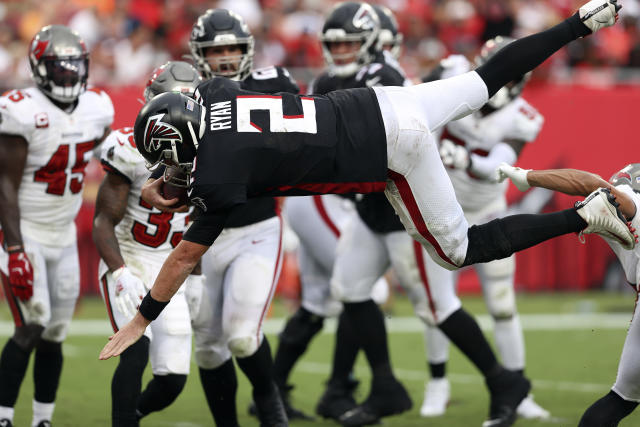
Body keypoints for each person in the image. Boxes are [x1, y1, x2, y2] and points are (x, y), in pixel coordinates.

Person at [101, 2, 631, 426]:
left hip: (391, 152)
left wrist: (142, 318)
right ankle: (579, 22)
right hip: (388, 103)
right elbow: (208, 142)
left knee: (460, 251)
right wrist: (176, 177)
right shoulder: (216, 91)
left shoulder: (217, 177)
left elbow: (183, 255)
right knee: (485, 79)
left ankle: (584, 217)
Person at [274, 3, 416, 423]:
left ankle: (275, 390)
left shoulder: (375, 74)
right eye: (336, 43)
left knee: (320, 300)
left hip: (325, 196)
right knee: (364, 291)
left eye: (351, 42)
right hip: (322, 195)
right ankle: (338, 389)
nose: (343, 51)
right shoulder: (334, 80)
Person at [418, 38, 549, 420]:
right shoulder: (452, 73)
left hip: (488, 209)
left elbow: (498, 167)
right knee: (437, 306)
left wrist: (463, 157)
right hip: (440, 208)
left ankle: (518, 390)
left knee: (503, 305)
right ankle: (437, 382)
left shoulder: (523, 117)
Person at [187, 8, 300, 426]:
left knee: (240, 336)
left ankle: (269, 401)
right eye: (217, 51)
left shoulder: (274, 85)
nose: (227, 58)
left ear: (247, 49)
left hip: (256, 227)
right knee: (208, 347)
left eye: (233, 48)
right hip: (202, 234)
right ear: (201, 55)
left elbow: (296, 146)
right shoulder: (185, 94)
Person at [0, 25, 113, 427]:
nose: (68, 75)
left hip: (63, 232)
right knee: (32, 323)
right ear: (39, 68)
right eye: (58, 68)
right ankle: (3, 415)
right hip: (27, 230)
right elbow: (6, 185)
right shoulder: (19, 109)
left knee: (56, 330)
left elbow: (110, 159)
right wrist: (14, 251)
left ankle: (42, 419)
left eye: (73, 67)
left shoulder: (97, 107)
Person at [93, 61, 203, 427]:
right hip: (130, 257)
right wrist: (119, 271)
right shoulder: (129, 147)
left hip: (172, 265)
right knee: (135, 349)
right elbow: (103, 221)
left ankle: (132, 416)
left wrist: (197, 277)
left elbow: (201, 222)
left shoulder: (210, 153)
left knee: (172, 378)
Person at [496, 163, 640, 427]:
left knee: (619, 400)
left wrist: (528, 177)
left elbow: (586, 182)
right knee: (621, 398)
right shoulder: (625, 205)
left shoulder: (629, 202)